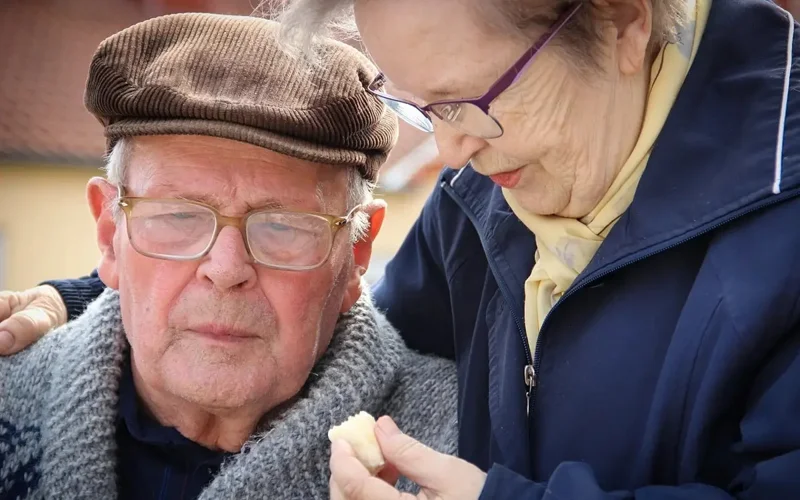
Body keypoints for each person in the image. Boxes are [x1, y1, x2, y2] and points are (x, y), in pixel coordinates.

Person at [3, 0, 800, 498]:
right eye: (422, 109)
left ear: (622, 19)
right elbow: (321, 317)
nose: (450, 155)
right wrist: (82, 310)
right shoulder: (494, 179)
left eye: (473, 98)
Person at [0, 13, 459, 500]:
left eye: (281, 225)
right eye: (179, 216)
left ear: (356, 252)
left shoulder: (461, 446)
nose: (225, 270)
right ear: (111, 232)